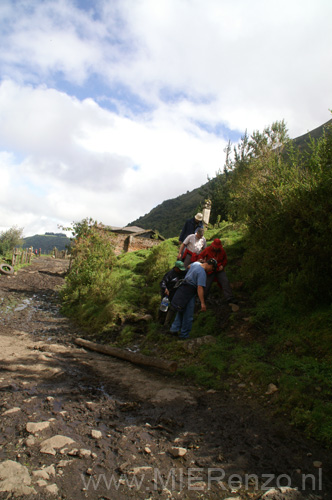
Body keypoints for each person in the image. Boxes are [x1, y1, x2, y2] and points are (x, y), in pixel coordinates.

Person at [169, 258, 218, 340]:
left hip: (183, 288)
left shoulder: (196, 264)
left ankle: (174, 329)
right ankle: (184, 335)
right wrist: (202, 303)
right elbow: (200, 287)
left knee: (181, 309)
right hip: (190, 292)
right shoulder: (202, 273)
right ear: (210, 265)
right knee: (188, 315)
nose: (211, 271)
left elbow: (188, 266)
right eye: (212, 269)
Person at [196, 238, 238, 310]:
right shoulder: (208, 249)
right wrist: (201, 260)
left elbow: (225, 259)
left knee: (225, 282)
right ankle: (201, 300)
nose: (216, 248)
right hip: (210, 270)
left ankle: (229, 298)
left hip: (219, 269)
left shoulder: (222, 251)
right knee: (206, 284)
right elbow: (200, 256)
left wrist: (222, 265)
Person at [159, 260, 187, 325]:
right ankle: (160, 321)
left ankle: (167, 323)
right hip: (167, 293)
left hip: (176, 293)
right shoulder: (170, 274)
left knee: (172, 308)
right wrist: (165, 288)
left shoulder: (183, 272)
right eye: (179, 269)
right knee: (164, 308)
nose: (181, 271)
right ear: (176, 268)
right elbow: (163, 282)